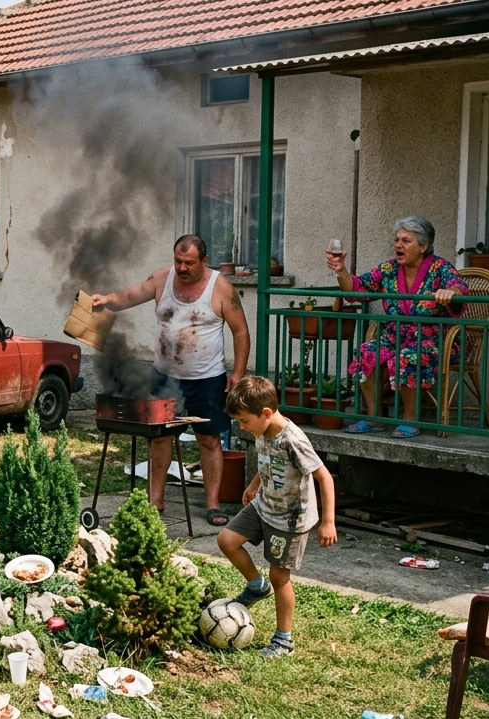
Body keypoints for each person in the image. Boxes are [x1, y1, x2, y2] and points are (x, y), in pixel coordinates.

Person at [92, 234, 250, 526]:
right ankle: (156, 501)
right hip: (164, 376)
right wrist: (107, 300)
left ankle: (213, 504)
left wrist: (238, 373)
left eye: (189, 262)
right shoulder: (161, 279)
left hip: (207, 379)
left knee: (209, 440)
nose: (182, 268)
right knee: (160, 438)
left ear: (204, 261)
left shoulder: (220, 288)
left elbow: (240, 331)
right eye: (178, 261)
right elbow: (130, 295)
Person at [218, 375, 337, 658]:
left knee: (279, 576)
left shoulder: (293, 440)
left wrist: (328, 521)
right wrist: (254, 485)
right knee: (227, 540)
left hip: (290, 518)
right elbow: (268, 461)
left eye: (244, 421)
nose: (242, 427)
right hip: (264, 505)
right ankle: (256, 587)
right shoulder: (262, 430)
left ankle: (284, 640)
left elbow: (325, 477)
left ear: (266, 413)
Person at [328, 216, 468, 438]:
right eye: (397, 240)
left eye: (406, 241)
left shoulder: (440, 267)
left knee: (406, 357)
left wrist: (450, 292)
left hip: (435, 339)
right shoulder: (388, 269)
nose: (398, 245)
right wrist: (341, 271)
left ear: (423, 246)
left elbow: (459, 286)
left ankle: (410, 419)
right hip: (396, 336)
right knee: (366, 352)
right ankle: (374, 417)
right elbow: (357, 288)